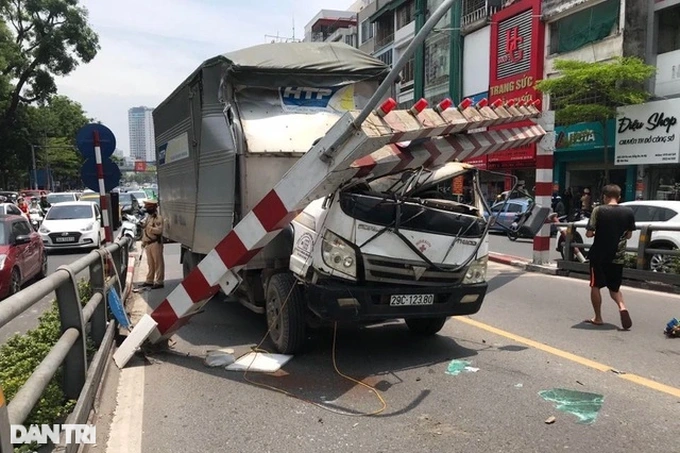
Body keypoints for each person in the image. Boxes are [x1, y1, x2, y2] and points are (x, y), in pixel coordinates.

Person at [584, 184, 635, 330]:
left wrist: (595, 233)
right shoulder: (628, 212)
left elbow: (589, 233)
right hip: (618, 256)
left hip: (599, 256)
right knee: (614, 288)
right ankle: (622, 307)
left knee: (595, 285)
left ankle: (598, 318)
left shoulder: (598, 210)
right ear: (619, 197)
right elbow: (629, 235)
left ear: (604, 197)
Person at [141, 199, 165, 289]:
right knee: (150, 263)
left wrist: (150, 228)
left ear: (153, 207)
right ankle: (149, 280)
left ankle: (159, 281)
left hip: (155, 243)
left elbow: (159, 230)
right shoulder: (149, 217)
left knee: (158, 263)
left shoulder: (158, 218)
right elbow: (145, 230)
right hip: (148, 243)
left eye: (148, 207)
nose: (146, 209)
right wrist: (143, 242)